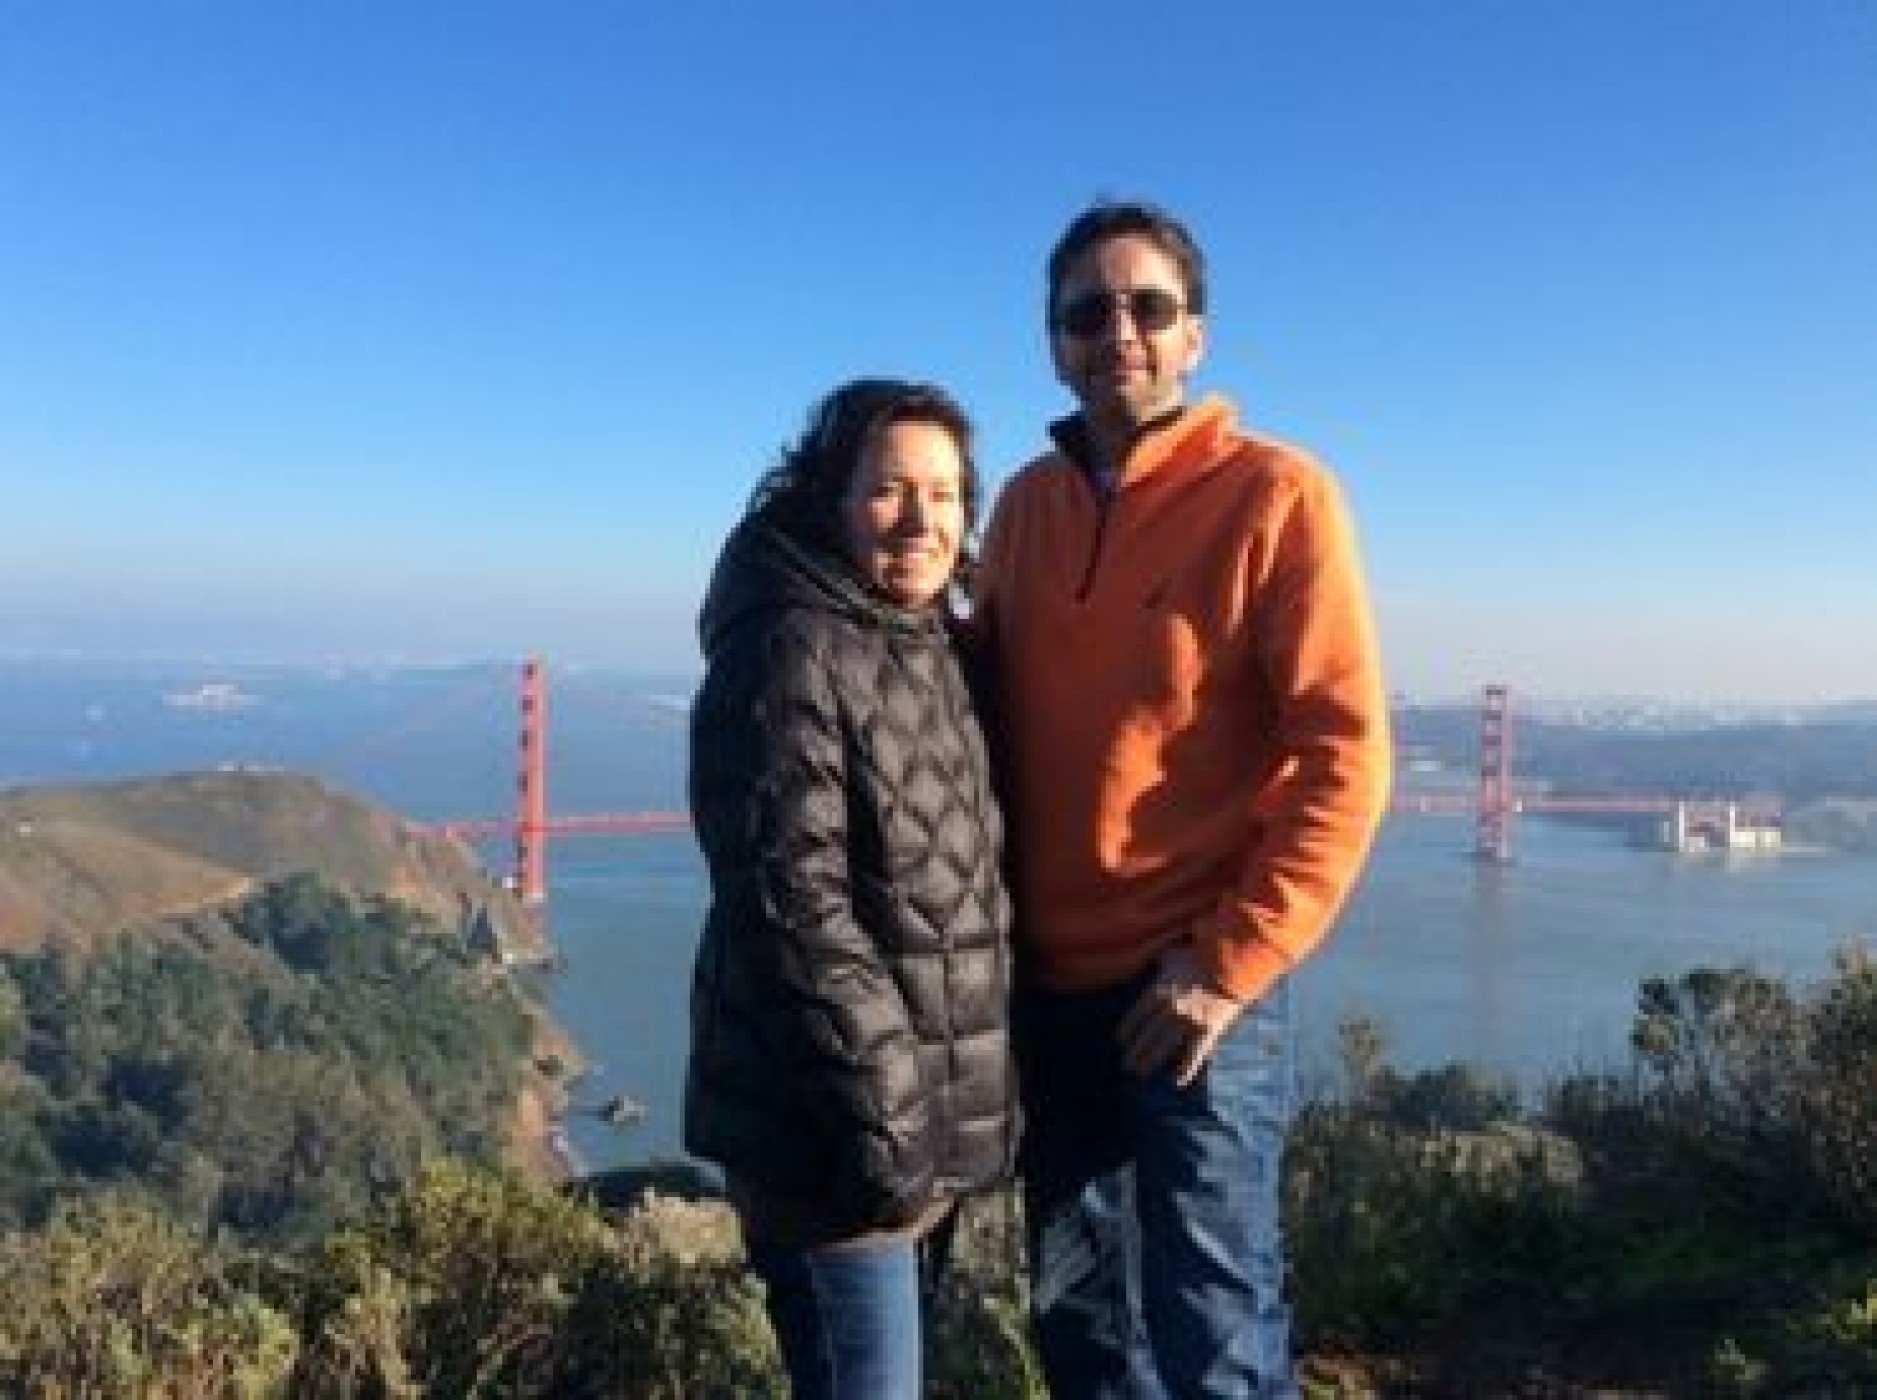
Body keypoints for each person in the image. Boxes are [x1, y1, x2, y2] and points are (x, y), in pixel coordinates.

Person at [971, 199, 1393, 1397]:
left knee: (1212, 1316)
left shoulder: (1278, 496)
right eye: (1085, 312)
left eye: (1147, 306)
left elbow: (1342, 751)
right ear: (1053, 340)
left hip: (1194, 987)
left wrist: (1226, 962)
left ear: (1194, 334)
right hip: (1049, 986)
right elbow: (970, 695)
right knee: (1077, 1316)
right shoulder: (1020, 506)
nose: (1118, 332)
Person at [683, 377, 1018, 1399]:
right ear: (829, 496)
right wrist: (890, 1131)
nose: (921, 518)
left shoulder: (923, 644)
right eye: (886, 490)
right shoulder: (786, 643)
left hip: (909, 1138)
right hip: (834, 1142)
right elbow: (793, 908)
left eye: (946, 492)